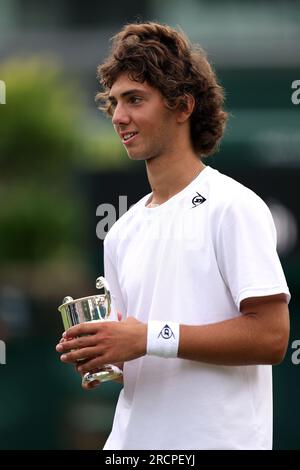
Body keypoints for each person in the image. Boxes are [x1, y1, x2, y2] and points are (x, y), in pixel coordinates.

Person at [56, 22, 291, 450]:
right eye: (113, 103)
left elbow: (272, 337)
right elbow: (138, 353)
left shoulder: (234, 206)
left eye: (135, 100)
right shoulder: (121, 232)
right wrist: (105, 351)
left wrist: (145, 337)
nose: (118, 116)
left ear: (182, 107)